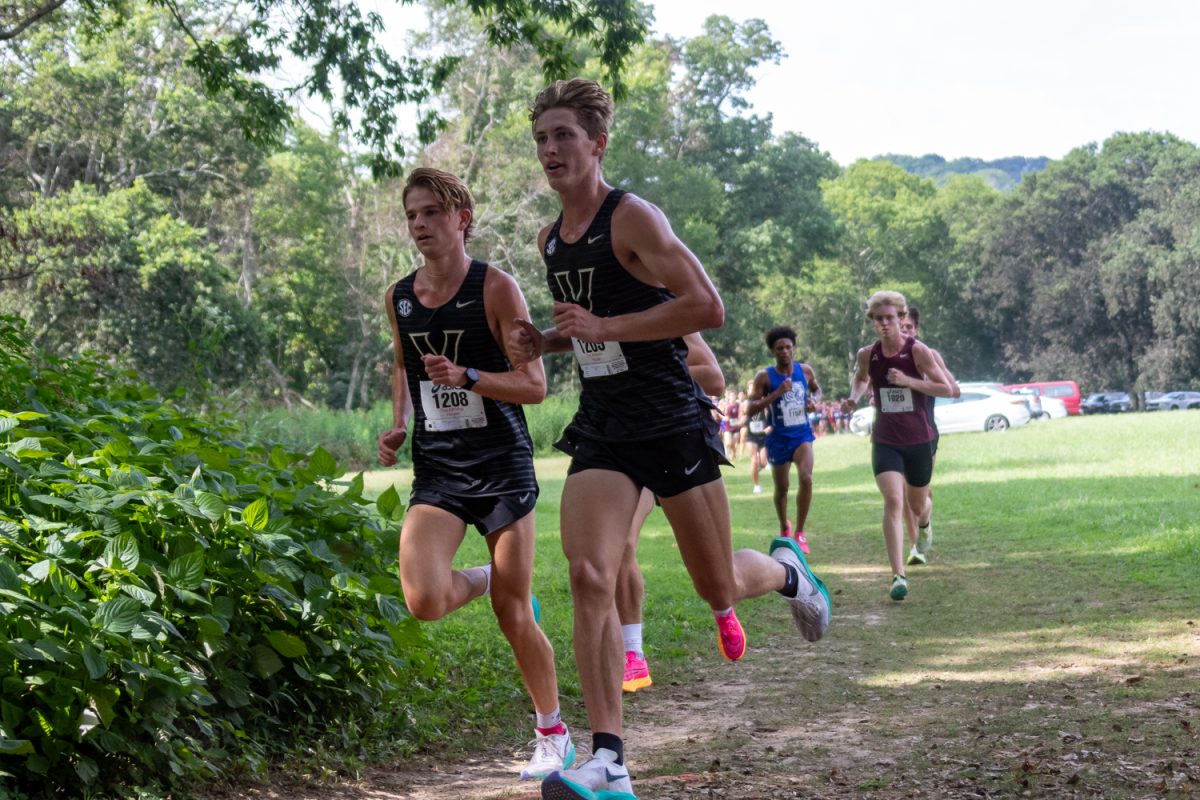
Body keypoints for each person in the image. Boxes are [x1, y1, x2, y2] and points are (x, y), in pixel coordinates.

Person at [511, 78, 831, 800]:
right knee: (590, 575)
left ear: (597, 143)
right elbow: (590, 333)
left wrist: (603, 328)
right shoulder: (549, 240)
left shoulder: (634, 220)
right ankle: (609, 760)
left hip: (670, 418)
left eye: (564, 135)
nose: (551, 150)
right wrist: (550, 340)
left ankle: (787, 574)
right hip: (603, 425)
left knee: (716, 582)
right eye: (541, 138)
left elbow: (706, 307)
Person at [376, 168, 574, 782]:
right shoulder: (399, 297)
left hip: (501, 467)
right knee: (424, 599)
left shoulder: (496, 289)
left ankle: (554, 733)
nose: (420, 225)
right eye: (411, 215)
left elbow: (535, 386)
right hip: (438, 469)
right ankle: (485, 577)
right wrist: (398, 422)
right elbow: (404, 365)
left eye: (432, 212)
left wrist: (469, 378)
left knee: (516, 615)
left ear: (461, 216)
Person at [618, 332, 725, 694]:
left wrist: (647, 372)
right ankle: (632, 653)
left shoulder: (665, 315)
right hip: (623, 444)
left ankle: (785, 573)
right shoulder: (594, 311)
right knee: (621, 544)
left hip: (678, 442)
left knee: (719, 577)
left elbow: (714, 378)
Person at [848, 291, 954, 601]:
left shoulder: (918, 352)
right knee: (894, 500)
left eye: (890, 318)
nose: (884, 323)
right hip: (885, 439)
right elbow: (860, 379)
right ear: (873, 321)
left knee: (917, 504)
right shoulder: (867, 354)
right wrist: (852, 398)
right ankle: (898, 575)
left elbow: (946, 388)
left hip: (918, 439)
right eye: (878, 319)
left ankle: (924, 523)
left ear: (901, 318)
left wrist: (910, 381)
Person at [744, 326, 822, 554]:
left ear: (794, 348)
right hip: (778, 438)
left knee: (806, 478)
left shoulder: (805, 371)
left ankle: (800, 532)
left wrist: (814, 401)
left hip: (801, 434)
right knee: (782, 488)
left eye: (788, 347)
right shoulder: (765, 377)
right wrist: (776, 394)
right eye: (780, 348)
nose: (785, 352)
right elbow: (750, 409)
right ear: (772, 351)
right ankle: (784, 527)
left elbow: (817, 391)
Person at [899, 305, 960, 565]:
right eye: (900, 328)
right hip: (894, 433)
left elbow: (953, 390)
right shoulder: (883, 357)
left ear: (917, 329)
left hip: (925, 432)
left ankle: (924, 522)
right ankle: (916, 547)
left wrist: (919, 382)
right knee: (900, 491)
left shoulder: (929, 355)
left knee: (919, 493)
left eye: (909, 328)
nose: (904, 332)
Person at [741, 379, 770, 495]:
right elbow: (742, 416)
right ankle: (757, 486)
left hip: (763, 435)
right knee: (754, 460)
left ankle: (757, 469)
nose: (752, 391)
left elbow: (769, 416)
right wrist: (742, 420)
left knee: (763, 462)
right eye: (750, 389)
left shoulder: (764, 402)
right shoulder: (745, 403)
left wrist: (769, 426)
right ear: (747, 391)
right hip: (751, 435)